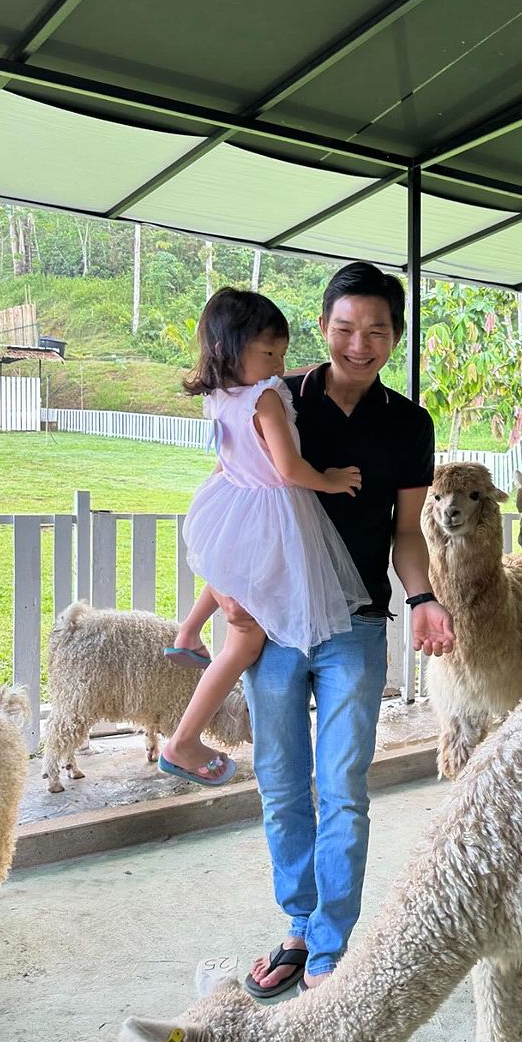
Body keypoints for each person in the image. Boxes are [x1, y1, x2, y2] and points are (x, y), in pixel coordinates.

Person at [235, 262, 455, 997]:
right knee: (280, 782)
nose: (360, 343)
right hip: (273, 623)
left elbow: (407, 531)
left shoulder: (408, 423)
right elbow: (234, 498)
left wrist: (422, 597)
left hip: (357, 624)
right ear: (324, 325)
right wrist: (230, 594)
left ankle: (330, 947)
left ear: (395, 334)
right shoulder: (276, 398)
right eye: (345, 327)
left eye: (377, 329)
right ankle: (298, 927)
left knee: (344, 786)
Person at [159, 288, 370, 786]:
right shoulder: (266, 399)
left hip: (233, 503)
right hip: (274, 510)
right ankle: (183, 742)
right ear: (231, 350)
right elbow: (289, 467)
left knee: (232, 569)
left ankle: (188, 633)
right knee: (247, 638)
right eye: (268, 352)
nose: (278, 364)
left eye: (281, 353)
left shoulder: (221, 394)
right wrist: (332, 479)